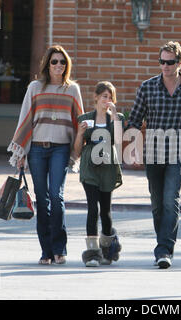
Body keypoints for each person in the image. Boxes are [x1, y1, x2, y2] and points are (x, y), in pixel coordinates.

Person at [127, 41, 181, 269]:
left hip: (179, 152)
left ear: (180, 63)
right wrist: (135, 148)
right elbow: (134, 120)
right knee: (158, 204)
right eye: (162, 61)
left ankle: (164, 250)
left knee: (171, 200)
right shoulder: (147, 87)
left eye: (170, 62)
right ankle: (163, 244)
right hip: (154, 152)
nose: (165, 66)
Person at [7, 45, 84, 265]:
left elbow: (80, 122)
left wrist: (79, 148)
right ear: (47, 65)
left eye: (62, 62)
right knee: (42, 199)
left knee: (56, 196)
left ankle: (60, 248)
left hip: (61, 148)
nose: (58, 65)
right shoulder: (35, 87)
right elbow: (26, 118)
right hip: (38, 150)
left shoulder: (72, 90)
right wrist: (21, 152)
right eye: (54, 62)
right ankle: (46, 251)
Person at [74, 81, 124, 267]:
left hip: (108, 167)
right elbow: (77, 151)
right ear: (95, 97)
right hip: (90, 167)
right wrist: (80, 134)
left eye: (110, 97)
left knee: (106, 211)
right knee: (92, 208)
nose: (107, 100)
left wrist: (116, 118)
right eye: (104, 96)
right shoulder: (85, 118)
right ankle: (92, 252)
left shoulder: (116, 118)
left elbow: (119, 141)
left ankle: (107, 249)